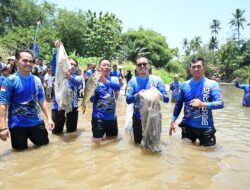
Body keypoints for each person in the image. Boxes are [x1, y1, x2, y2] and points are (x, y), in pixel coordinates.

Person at [0, 50, 54, 150]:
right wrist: (2, 127)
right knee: (20, 153)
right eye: (25, 60)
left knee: (45, 148)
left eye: (31, 61)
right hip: (17, 126)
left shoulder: (36, 80)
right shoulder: (9, 81)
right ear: (16, 62)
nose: (28, 63)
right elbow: (3, 104)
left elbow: (42, 100)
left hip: (36, 123)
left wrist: (49, 118)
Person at [169, 58, 224, 147]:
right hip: (187, 126)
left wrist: (203, 104)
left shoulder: (212, 84)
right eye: (193, 67)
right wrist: (173, 120)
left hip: (206, 127)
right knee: (186, 152)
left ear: (204, 68)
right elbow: (178, 104)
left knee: (209, 154)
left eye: (199, 66)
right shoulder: (184, 85)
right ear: (190, 69)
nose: (196, 69)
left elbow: (220, 103)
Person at [126, 56, 169, 144]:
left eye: (144, 64)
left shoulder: (157, 80)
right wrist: (137, 95)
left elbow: (167, 99)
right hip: (138, 118)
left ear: (149, 66)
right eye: (139, 64)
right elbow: (128, 100)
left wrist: (159, 94)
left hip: (154, 117)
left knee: (154, 144)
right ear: (136, 67)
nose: (142, 66)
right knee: (137, 144)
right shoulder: (132, 82)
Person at [51, 45, 83, 134]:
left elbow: (78, 83)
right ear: (66, 64)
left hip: (73, 107)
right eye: (70, 64)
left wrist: (70, 78)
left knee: (71, 132)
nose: (72, 66)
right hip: (57, 106)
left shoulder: (78, 77)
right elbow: (54, 63)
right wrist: (57, 50)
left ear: (76, 67)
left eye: (74, 65)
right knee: (57, 132)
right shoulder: (58, 74)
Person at [90, 58, 120, 142]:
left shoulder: (114, 79)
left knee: (112, 142)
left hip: (112, 118)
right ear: (99, 67)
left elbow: (117, 87)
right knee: (97, 142)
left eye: (108, 65)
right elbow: (92, 100)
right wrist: (92, 93)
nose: (107, 67)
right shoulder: (94, 80)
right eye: (104, 65)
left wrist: (105, 81)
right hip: (98, 118)